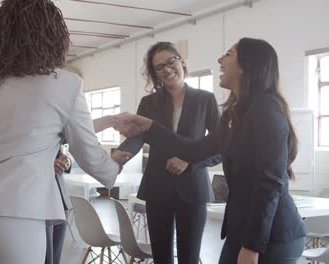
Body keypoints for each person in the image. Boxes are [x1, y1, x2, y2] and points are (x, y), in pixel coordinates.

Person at [0, 0, 131, 263]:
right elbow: (89, 155)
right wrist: (113, 168)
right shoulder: (67, 84)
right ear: (54, 36)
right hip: (17, 214)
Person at [120, 38, 307, 264]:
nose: (219, 59)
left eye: (227, 54)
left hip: (271, 236)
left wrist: (251, 246)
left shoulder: (266, 109)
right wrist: (149, 127)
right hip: (243, 230)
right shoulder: (233, 114)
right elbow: (194, 149)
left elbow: (269, 183)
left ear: (245, 65)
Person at [113, 41, 221, 264]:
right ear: (154, 74)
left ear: (182, 61)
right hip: (157, 186)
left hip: (192, 187)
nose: (167, 69)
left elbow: (220, 146)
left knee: (189, 257)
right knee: (161, 257)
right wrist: (121, 154)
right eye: (159, 67)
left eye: (171, 62)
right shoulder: (149, 102)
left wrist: (190, 161)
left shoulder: (205, 99)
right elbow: (137, 137)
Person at [46, 114, 132, 264]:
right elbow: (78, 132)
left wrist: (66, 160)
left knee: (54, 257)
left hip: (60, 200)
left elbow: (68, 139)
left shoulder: (53, 118)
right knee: (44, 257)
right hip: (39, 203)